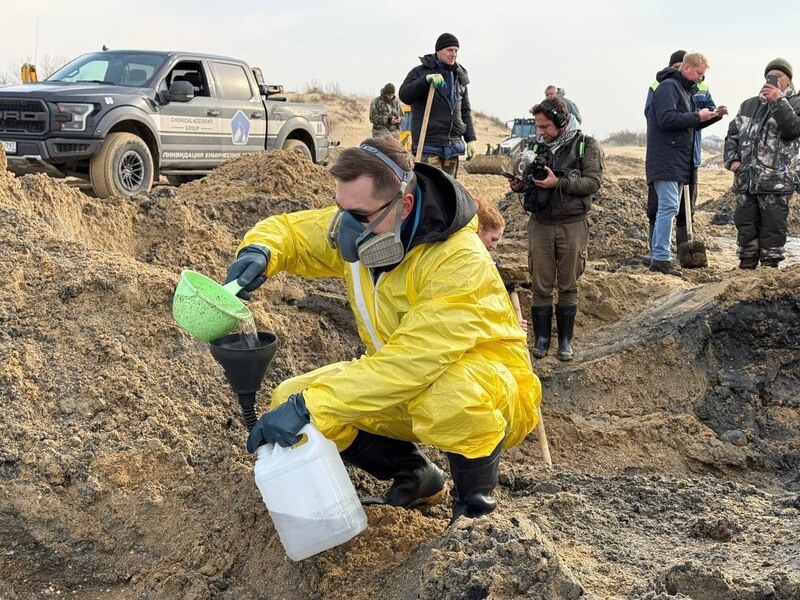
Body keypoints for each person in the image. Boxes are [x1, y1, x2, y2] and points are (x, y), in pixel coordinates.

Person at [225, 135, 541, 522]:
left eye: (357, 215)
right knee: (289, 398)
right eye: (340, 209)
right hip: (402, 380)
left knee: (445, 397)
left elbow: (411, 363)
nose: (344, 227)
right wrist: (261, 250)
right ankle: (416, 475)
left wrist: (310, 406)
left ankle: (474, 511)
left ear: (403, 205)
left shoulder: (458, 260)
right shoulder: (369, 225)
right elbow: (292, 233)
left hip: (489, 392)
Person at [508, 97, 603, 361]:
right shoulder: (535, 147)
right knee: (540, 283)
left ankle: (565, 342)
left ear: (561, 122)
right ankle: (541, 341)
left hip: (572, 223)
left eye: (545, 126)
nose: (541, 132)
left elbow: (593, 182)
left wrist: (558, 183)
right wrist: (520, 184)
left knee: (568, 283)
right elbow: (529, 177)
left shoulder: (586, 145)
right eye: (538, 126)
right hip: (540, 223)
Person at [642, 50, 728, 264]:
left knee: (670, 207)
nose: (701, 78)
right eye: (699, 73)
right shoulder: (668, 87)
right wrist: (697, 115)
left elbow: (688, 123)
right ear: (686, 67)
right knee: (668, 207)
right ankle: (660, 257)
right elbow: (666, 119)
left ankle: (659, 255)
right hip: (666, 159)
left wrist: (712, 117)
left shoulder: (684, 91)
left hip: (679, 161)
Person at [724, 58, 800, 269]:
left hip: (776, 181)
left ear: (788, 80)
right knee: (745, 226)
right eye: (770, 76)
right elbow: (732, 134)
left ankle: (769, 268)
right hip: (746, 180)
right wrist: (732, 160)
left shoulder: (796, 104)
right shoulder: (749, 105)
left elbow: (793, 130)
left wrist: (779, 102)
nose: (773, 79)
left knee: (773, 228)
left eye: (779, 76)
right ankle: (746, 265)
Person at [399, 33, 477, 177]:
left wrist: (471, 139)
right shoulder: (420, 72)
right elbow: (405, 95)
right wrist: (424, 80)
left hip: (452, 147)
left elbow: (465, 111)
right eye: (450, 50)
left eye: (456, 50)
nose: (454, 54)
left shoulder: (459, 77)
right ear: (438, 51)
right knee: (429, 187)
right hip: (428, 145)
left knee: (449, 188)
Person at [475, 197, 528, 332]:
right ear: (479, 229)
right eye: (493, 239)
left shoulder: (486, 261)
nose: (494, 246)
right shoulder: (473, 262)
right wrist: (509, 324)